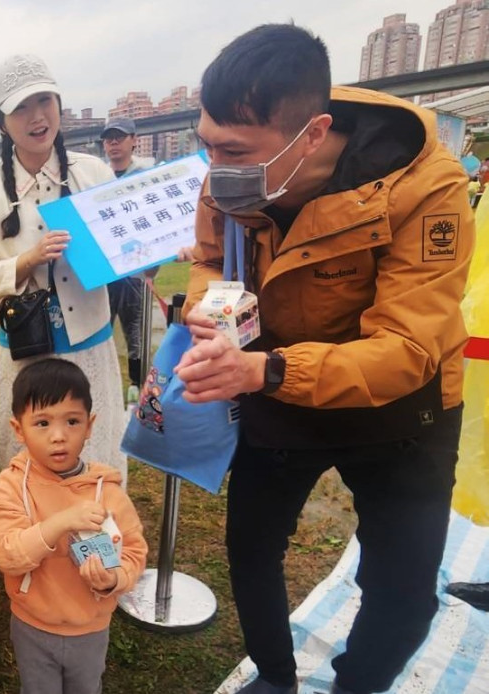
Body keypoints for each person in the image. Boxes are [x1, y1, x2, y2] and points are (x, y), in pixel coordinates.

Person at [176, 25, 472, 694]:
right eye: (206, 144)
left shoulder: (425, 184)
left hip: (403, 409)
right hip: (276, 387)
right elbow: (205, 262)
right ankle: (276, 677)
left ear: (312, 134)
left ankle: (355, 686)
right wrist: (212, 314)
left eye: (232, 150)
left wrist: (266, 370)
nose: (214, 165)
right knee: (252, 548)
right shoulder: (230, 177)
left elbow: (408, 350)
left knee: (401, 586)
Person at [0, 54, 127, 476]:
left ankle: (98, 534)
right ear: (2, 123)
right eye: (21, 107)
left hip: (89, 342)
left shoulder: (93, 174)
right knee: (28, 459)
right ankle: (32, 538)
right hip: (24, 351)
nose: (37, 117)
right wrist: (28, 260)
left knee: (96, 447)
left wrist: (153, 254)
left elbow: (126, 250)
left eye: (44, 101)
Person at [0, 358, 147, 693]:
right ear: (19, 429)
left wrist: (112, 580)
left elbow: (133, 551)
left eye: (72, 421)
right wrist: (59, 523)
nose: (59, 436)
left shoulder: (108, 492)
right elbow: (7, 554)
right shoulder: (13, 485)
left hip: (91, 628)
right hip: (33, 627)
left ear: (89, 425)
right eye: (42, 423)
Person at [99, 116, 155, 394]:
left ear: (134, 140)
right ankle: (100, 391)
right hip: (104, 273)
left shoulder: (147, 177)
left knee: (136, 334)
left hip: (134, 272)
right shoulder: (97, 179)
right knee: (99, 333)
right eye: (108, 138)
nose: (113, 143)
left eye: (119, 137)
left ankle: (139, 388)